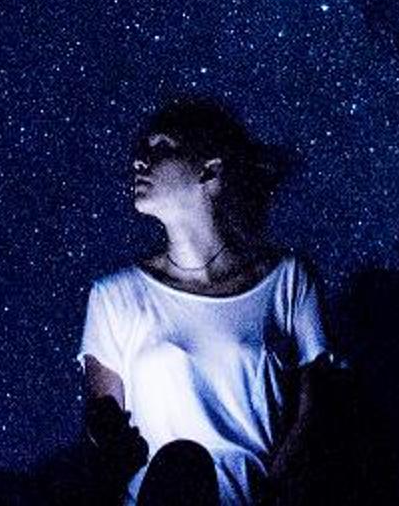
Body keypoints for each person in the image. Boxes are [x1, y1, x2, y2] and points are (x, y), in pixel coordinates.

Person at [76, 97, 330, 506]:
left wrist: (272, 493)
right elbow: (103, 424)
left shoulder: (288, 281)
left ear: (209, 171)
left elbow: (315, 414)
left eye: (161, 146)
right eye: (141, 149)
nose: (139, 160)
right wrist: (109, 438)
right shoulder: (114, 296)